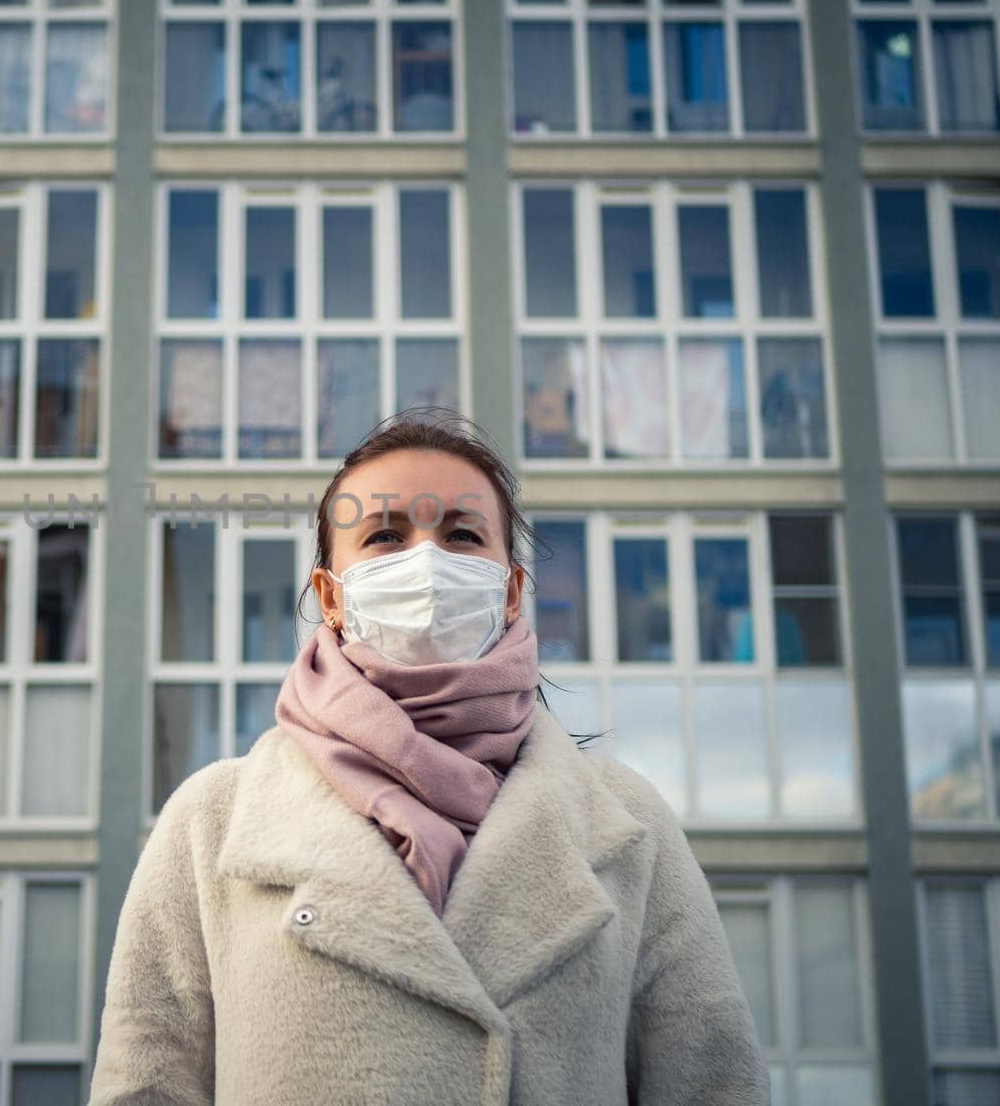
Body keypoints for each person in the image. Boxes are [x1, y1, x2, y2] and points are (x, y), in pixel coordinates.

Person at [87, 406, 770, 1105]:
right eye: (385, 535)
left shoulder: (630, 826)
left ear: (509, 591)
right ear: (331, 597)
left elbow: (715, 1084)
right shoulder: (211, 824)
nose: (427, 563)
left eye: (462, 535)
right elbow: (144, 1087)